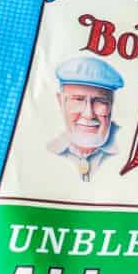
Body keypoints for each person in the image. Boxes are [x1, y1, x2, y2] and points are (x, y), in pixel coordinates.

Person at [48, 55, 124, 183]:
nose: (88, 114)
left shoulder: (128, 147)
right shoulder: (47, 150)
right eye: (78, 99)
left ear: (111, 104)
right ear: (61, 102)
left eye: (100, 101)